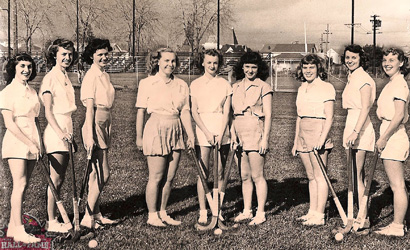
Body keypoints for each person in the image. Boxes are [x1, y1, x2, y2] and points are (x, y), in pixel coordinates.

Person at [135, 48, 195, 227]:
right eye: (167, 61)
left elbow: (185, 111)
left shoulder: (182, 85)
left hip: (175, 128)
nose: (170, 64)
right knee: (156, 176)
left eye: (173, 61)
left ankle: (163, 211)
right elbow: (140, 112)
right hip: (156, 127)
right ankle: (152, 215)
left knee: (169, 177)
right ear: (158, 62)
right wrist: (139, 137)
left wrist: (190, 135)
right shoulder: (147, 83)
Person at [0, 53, 41, 243]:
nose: (26, 70)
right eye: (22, 66)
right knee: (20, 184)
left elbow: (36, 119)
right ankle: (19, 231)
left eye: (29, 66)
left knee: (23, 186)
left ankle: (12, 227)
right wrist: (29, 143)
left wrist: (37, 143)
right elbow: (9, 123)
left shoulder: (32, 91)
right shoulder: (7, 92)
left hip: (32, 138)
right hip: (17, 140)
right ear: (14, 69)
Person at [292, 54, 335, 226]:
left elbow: (330, 117)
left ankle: (320, 214)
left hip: (318, 130)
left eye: (312, 67)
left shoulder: (326, 87)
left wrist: (322, 139)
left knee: (320, 176)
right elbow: (299, 116)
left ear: (318, 68)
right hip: (303, 130)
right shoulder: (302, 87)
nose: (308, 71)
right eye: (305, 67)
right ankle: (312, 211)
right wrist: (296, 141)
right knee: (311, 176)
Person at [39, 39, 77, 233]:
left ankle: (53, 217)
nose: (67, 57)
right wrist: (61, 133)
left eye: (70, 54)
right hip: (56, 131)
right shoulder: (50, 78)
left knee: (59, 178)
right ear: (54, 55)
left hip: (66, 128)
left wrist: (69, 133)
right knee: (56, 178)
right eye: (63, 54)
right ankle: (52, 221)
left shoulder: (64, 76)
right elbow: (47, 113)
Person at [190, 49, 232, 223]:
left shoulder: (224, 84)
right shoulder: (195, 84)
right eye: (209, 62)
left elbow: (227, 112)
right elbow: (194, 111)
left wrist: (221, 134)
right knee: (203, 172)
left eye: (215, 63)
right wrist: (207, 133)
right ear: (203, 63)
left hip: (222, 132)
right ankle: (203, 210)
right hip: (203, 131)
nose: (212, 66)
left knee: (220, 172)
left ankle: (217, 209)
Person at [231, 52, 272, 225]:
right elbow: (231, 115)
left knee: (257, 175)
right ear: (242, 67)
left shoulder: (264, 87)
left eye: (254, 67)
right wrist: (233, 135)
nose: (250, 70)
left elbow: (269, 115)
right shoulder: (235, 87)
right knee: (244, 175)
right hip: (239, 132)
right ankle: (247, 210)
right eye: (247, 66)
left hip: (256, 131)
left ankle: (260, 212)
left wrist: (265, 139)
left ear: (259, 69)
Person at [80, 38, 117, 228]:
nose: (104, 57)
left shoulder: (104, 75)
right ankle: (87, 216)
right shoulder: (91, 76)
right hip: (94, 122)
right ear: (92, 56)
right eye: (99, 54)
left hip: (105, 120)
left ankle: (96, 214)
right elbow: (89, 109)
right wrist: (89, 134)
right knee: (104, 172)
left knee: (96, 173)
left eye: (105, 53)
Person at [373, 48, 409, 237]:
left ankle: (397, 226)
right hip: (389, 132)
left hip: (394, 136)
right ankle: (397, 224)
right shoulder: (392, 83)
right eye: (385, 60)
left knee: (397, 185)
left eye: (392, 60)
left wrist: (384, 137)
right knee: (396, 184)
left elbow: (399, 115)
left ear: (401, 63)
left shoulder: (399, 84)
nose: (387, 63)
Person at [341, 44, 376, 228]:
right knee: (356, 174)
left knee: (355, 174)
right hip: (352, 124)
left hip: (360, 127)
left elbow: (365, 108)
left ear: (361, 59)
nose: (350, 60)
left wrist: (355, 131)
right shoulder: (352, 76)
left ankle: (363, 218)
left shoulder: (363, 78)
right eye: (347, 57)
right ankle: (361, 215)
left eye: (354, 57)